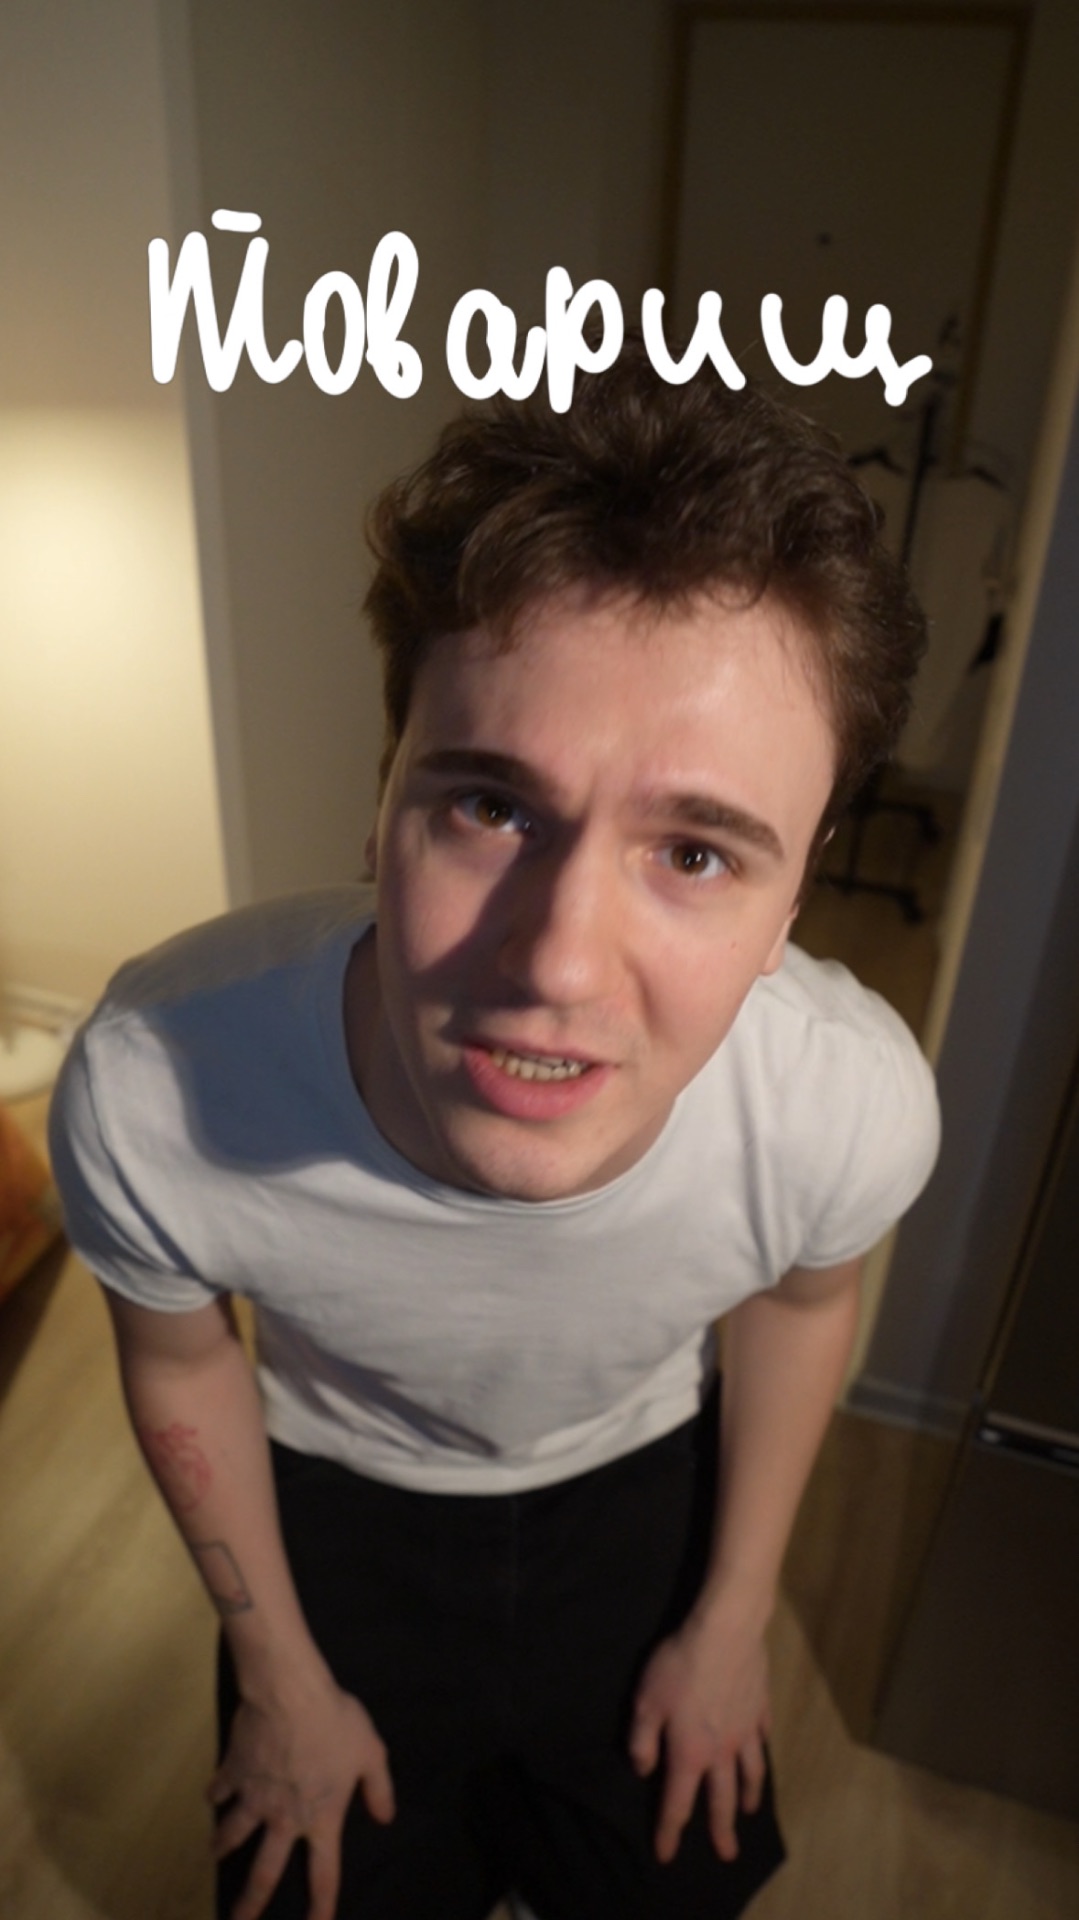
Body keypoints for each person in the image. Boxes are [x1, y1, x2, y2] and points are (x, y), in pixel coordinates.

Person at [49, 337, 939, 1920]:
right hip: (332, 1497)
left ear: (794, 905)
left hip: (643, 1482)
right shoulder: (154, 1083)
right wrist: (277, 1677)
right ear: (379, 799)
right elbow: (180, 1360)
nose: (557, 968)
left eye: (698, 853)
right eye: (490, 807)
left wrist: (732, 1621)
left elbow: (805, 1306)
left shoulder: (843, 1105)